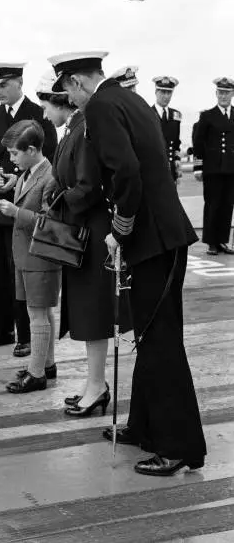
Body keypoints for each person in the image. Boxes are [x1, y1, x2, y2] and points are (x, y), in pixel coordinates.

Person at [49, 50, 206, 476]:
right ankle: (144, 426)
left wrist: (119, 231)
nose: (69, 99)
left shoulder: (100, 106)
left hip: (152, 238)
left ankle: (179, 446)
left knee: (161, 341)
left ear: (77, 83)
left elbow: (127, 173)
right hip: (165, 234)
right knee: (149, 335)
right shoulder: (128, 98)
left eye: (67, 90)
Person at [36, 71, 123, 416]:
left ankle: (98, 386)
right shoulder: (72, 128)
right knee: (87, 312)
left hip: (91, 230)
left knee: (94, 312)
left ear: (62, 99)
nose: (44, 115)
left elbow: (88, 186)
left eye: (45, 106)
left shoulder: (83, 128)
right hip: (81, 228)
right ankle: (93, 383)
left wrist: (57, 201)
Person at [0, 61, 58, 358]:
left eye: (3, 85)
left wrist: (17, 180)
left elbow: (47, 161)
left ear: (18, 83)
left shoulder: (40, 114)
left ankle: (27, 336)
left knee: (24, 274)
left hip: (27, 207)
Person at [0, 120, 60, 393]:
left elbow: (49, 222)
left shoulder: (49, 177)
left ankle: (37, 374)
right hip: (27, 255)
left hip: (40, 257)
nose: (11, 159)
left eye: (14, 153)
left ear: (31, 149)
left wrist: (14, 212)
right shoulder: (28, 173)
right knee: (42, 310)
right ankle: (47, 363)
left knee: (37, 314)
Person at [192, 77, 234, 255]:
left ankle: (223, 240)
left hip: (231, 169)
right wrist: (198, 167)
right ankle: (211, 242)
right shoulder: (207, 116)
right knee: (213, 205)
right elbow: (198, 142)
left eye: (227, 93)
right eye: (221, 93)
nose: (224, 96)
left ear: (232, 94)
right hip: (212, 169)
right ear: (216, 94)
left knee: (227, 205)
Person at [152, 76, 182, 185]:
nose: (166, 96)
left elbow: (176, 142)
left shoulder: (176, 115)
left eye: (169, 93)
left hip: (171, 170)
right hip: (154, 168)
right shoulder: (147, 113)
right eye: (163, 92)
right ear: (156, 92)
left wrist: (177, 159)